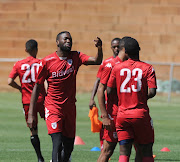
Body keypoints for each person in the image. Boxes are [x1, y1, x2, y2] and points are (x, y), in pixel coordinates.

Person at [27, 31, 103, 162]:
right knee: (56, 143)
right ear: (57, 42)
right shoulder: (47, 62)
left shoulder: (76, 57)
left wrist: (99, 48)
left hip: (70, 109)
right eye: (65, 39)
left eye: (70, 39)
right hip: (53, 108)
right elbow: (37, 87)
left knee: (68, 147)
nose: (69, 41)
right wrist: (31, 113)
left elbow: (97, 61)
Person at [106, 36, 157, 162]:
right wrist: (139, 96)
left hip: (122, 115)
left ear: (125, 51)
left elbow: (109, 90)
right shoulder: (148, 68)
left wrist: (123, 96)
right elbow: (152, 91)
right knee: (146, 151)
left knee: (124, 152)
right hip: (140, 115)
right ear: (139, 50)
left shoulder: (117, 68)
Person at [8, 39, 46, 162]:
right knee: (53, 125)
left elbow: (9, 81)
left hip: (27, 101)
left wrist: (20, 88)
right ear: (36, 49)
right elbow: (46, 82)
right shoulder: (41, 63)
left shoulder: (18, 64)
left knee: (33, 130)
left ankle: (40, 158)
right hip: (42, 99)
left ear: (26, 50)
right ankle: (58, 153)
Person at [97, 38, 127, 162]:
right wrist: (104, 115)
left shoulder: (130, 64)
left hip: (128, 112)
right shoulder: (109, 64)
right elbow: (101, 88)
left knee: (135, 148)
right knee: (108, 150)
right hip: (114, 112)